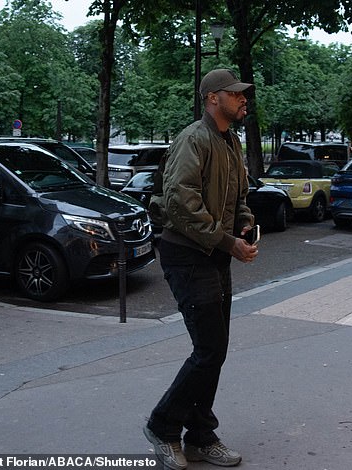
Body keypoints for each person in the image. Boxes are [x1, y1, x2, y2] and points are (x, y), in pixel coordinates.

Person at [143, 68, 259, 470]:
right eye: (236, 93)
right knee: (209, 349)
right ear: (213, 98)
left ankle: (200, 435)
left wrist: (243, 221)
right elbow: (181, 202)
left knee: (215, 350)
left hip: (213, 255)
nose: (244, 99)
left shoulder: (230, 141)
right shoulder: (194, 138)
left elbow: (238, 194)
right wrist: (229, 241)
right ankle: (163, 426)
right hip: (187, 255)